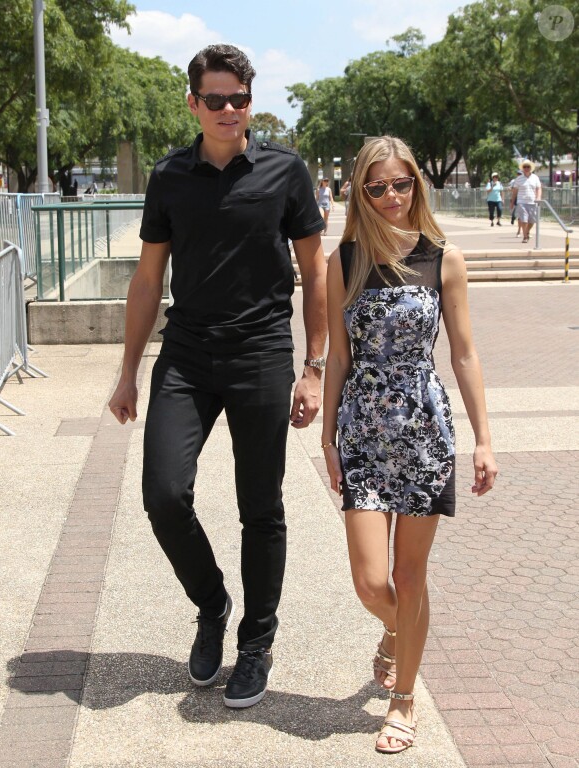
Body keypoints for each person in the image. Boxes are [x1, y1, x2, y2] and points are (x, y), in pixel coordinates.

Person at [108, 43, 327, 709]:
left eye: (240, 99)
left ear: (250, 103)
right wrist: (127, 372)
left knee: (261, 506)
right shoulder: (170, 175)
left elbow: (316, 271)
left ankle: (256, 641)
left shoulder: (287, 171)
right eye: (216, 99)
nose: (229, 110)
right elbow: (148, 279)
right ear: (193, 103)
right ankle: (212, 604)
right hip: (189, 352)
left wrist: (314, 365)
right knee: (164, 494)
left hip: (262, 352)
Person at [321, 135, 497, 754]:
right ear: (359, 192)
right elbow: (337, 356)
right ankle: (402, 632)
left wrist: (483, 440)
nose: (391, 197)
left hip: (424, 430)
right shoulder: (341, 262)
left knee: (409, 573)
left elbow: (465, 352)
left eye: (401, 184)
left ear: (416, 185)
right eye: (377, 186)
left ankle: (403, 700)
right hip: (365, 430)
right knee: (372, 582)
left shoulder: (443, 257)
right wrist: (328, 439)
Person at [511, 160, 541, 243]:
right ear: (522, 168)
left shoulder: (535, 177)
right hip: (521, 202)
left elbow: (538, 188)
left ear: (531, 168)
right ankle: (525, 236)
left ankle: (527, 231)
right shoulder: (519, 179)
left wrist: (538, 197)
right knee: (524, 220)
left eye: (528, 167)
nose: (526, 168)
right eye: (525, 167)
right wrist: (512, 202)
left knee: (532, 221)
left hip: (532, 201)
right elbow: (515, 191)